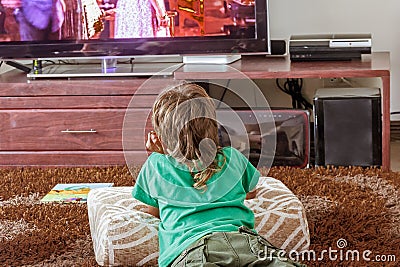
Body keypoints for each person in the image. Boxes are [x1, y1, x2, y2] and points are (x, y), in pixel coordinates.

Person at [132, 83, 307, 266]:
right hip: (243, 242)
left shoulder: (156, 165)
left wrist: (162, 154)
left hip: (192, 250)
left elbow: (154, 211)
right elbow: (251, 192)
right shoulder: (232, 157)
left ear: (161, 136)